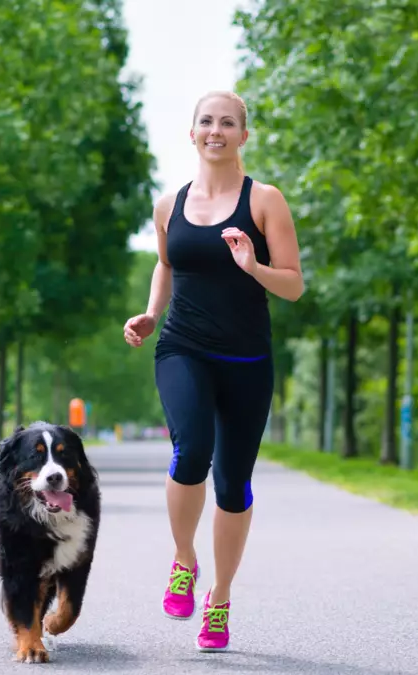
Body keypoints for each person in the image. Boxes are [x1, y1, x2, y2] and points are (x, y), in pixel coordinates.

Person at [122, 90, 304, 652]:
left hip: (247, 358)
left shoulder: (265, 200)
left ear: (244, 136)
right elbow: (166, 264)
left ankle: (219, 599)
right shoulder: (168, 204)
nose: (216, 130)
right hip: (183, 347)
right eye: (207, 121)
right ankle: (183, 560)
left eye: (228, 123)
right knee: (190, 451)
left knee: (232, 484)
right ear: (192, 132)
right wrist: (153, 313)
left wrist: (254, 266)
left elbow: (294, 284)